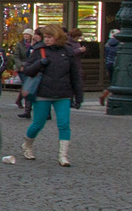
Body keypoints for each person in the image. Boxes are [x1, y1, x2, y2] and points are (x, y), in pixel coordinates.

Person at [18, 27, 85, 166]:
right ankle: (27, 144)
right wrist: (39, 63)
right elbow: (27, 70)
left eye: (50, 37)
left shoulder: (67, 52)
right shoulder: (39, 51)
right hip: (43, 93)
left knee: (64, 124)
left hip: (63, 94)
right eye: (45, 37)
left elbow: (75, 76)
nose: (46, 39)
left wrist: (78, 96)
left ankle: (63, 156)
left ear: (58, 37)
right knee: (38, 123)